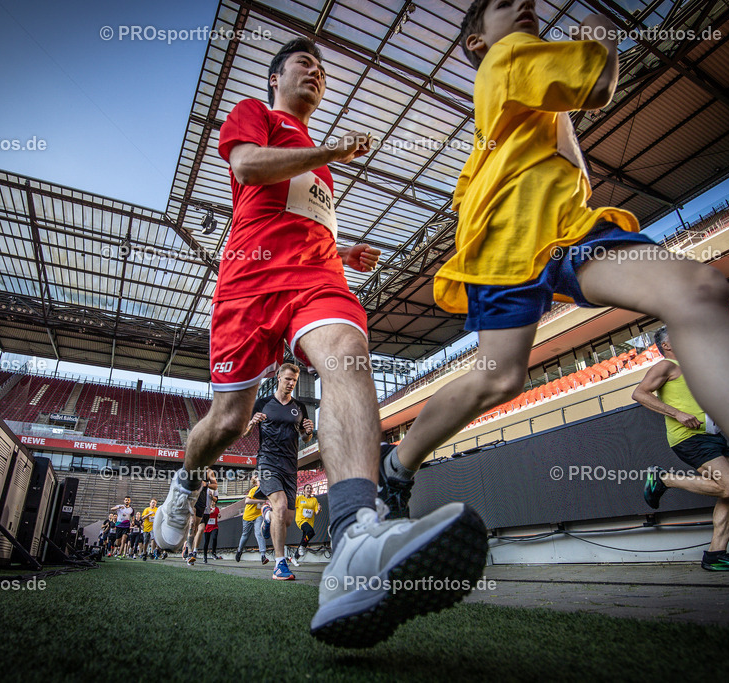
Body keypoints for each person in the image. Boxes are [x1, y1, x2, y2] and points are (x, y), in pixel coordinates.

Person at [377, 0, 729, 631]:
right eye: (502, 4)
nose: (522, 4)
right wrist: (600, 30)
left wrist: (566, 101)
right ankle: (395, 467)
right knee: (502, 377)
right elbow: (600, 81)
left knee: (693, 290)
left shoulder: (525, 87)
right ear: (476, 40)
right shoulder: (507, 56)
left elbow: (575, 171)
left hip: (559, 230)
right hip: (506, 240)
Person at [152, 36, 490, 645]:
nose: (317, 72)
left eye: (323, 69)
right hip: (249, 283)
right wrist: (329, 149)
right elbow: (248, 167)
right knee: (228, 421)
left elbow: (301, 218)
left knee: (348, 355)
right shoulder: (257, 114)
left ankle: (356, 535)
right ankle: (185, 479)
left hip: (316, 279)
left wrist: (341, 248)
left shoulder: (317, 160)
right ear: (277, 77)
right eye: (304, 64)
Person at [634, 327, 729, 571]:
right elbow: (639, 393)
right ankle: (664, 479)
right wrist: (677, 413)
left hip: (713, 437)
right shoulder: (666, 366)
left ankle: (716, 555)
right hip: (689, 437)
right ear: (667, 345)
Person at [243, 363, 314, 580]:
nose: (291, 383)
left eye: (294, 380)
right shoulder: (263, 403)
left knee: (287, 519)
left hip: (290, 467)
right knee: (281, 505)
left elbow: (304, 436)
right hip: (267, 463)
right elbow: (244, 432)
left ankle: (267, 517)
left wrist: (308, 433)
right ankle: (279, 564)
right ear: (278, 379)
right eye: (288, 379)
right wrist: (251, 423)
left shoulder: (299, 407)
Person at [185, 468, 219, 565]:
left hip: (202, 502)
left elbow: (215, 486)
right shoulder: (192, 467)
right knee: (192, 524)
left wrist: (206, 484)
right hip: (191, 499)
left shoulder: (209, 472)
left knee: (196, 528)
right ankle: (190, 553)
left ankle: (190, 548)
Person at [235, 473, 269, 564]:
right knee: (245, 535)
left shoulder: (264, 491)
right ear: (255, 483)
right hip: (248, 516)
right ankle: (239, 550)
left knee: (259, 533)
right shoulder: (254, 490)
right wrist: (261, 501)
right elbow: (247, 501)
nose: (261, 482)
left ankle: (263, 555)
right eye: (259, 481)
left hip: (258, 515)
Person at [292, 483, 321, 566]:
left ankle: (295, 557)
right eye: (307, 488)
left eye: (310, 488)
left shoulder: (314, 500)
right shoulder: (299, 498)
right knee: (311, 532)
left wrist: (319, 509)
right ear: (304, 490)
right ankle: (302, 547)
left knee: (304, 539)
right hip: (300, 520)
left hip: (310, 522)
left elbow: (316, 512)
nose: (309, 490)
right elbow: (292, 505)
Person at [203, 495, 222, 563]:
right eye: (211, 501)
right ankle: (205, 556)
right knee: (206, 542)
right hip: (207, 527)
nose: (212, 502)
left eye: (213, 501)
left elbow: (218, 515)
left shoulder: (217, 509)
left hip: (214, 526)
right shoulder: (207, 508)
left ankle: (214, 552)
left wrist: (219, 515)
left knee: (214, 538)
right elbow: (203, 516)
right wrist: (209, 513)